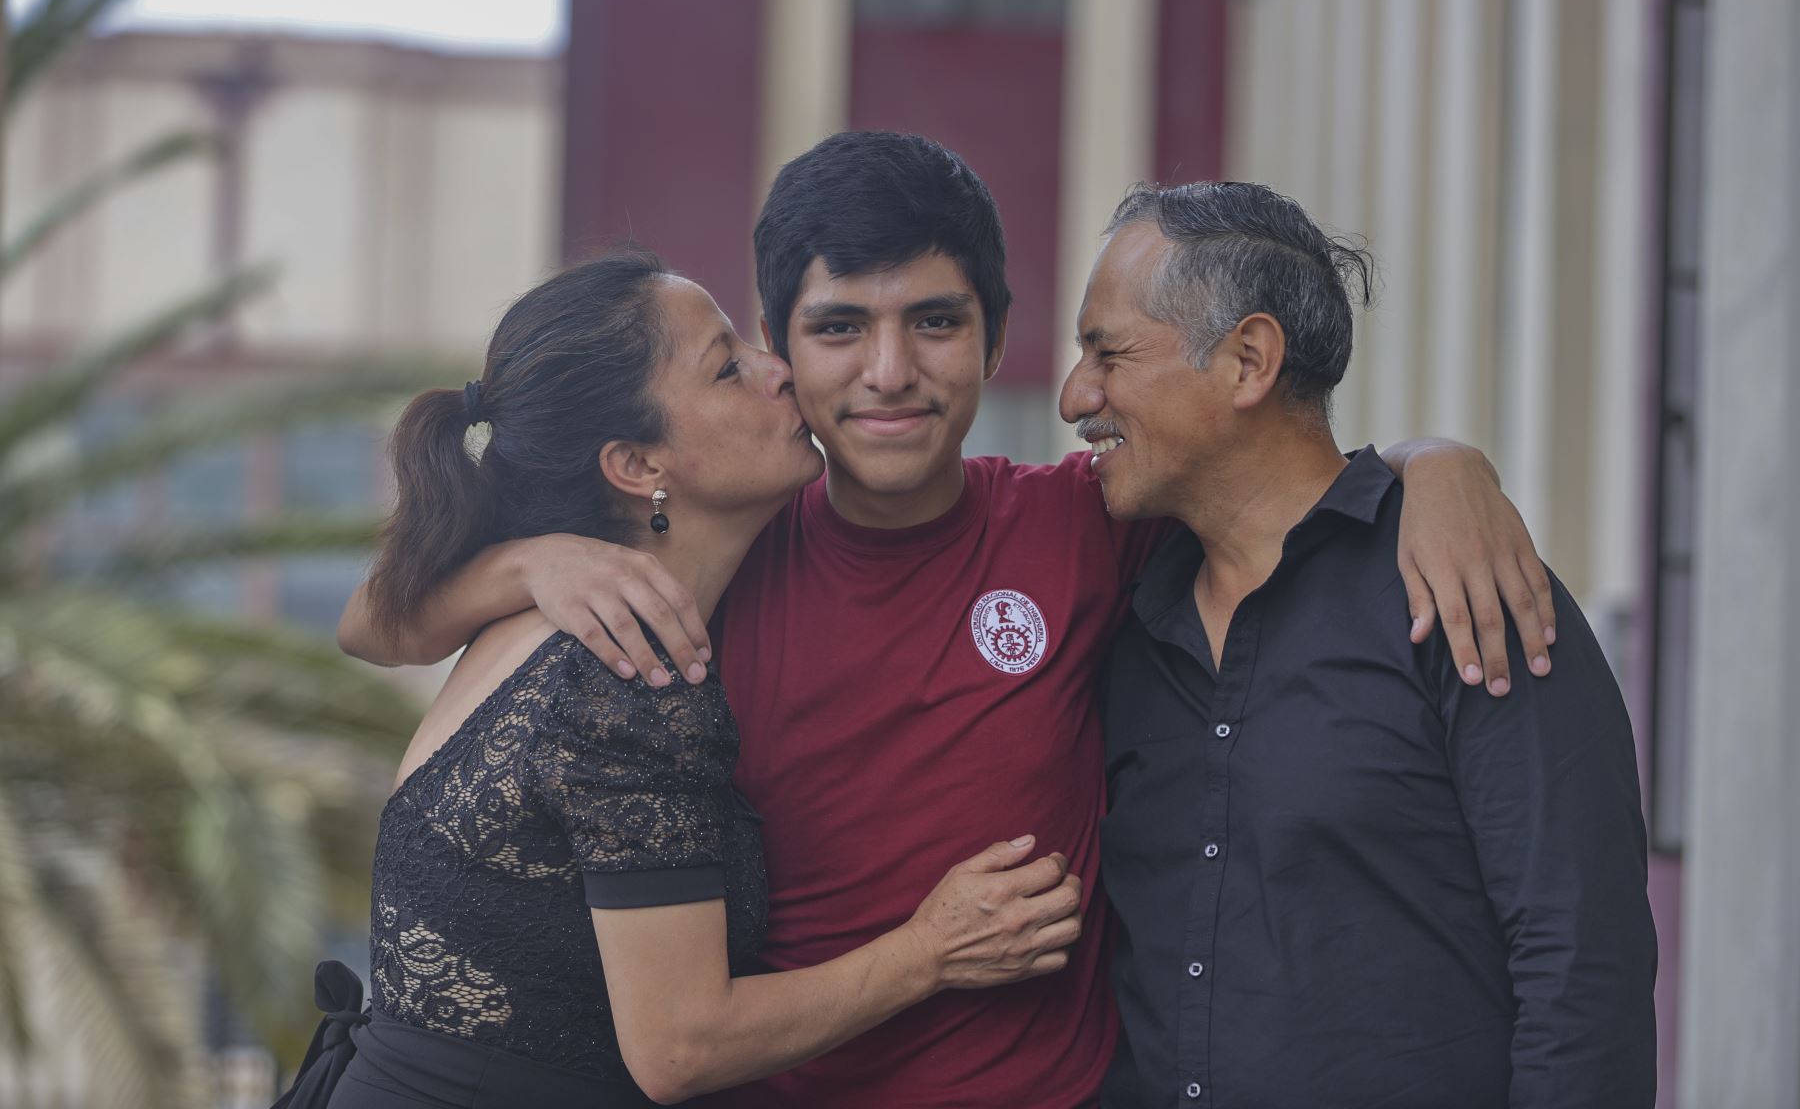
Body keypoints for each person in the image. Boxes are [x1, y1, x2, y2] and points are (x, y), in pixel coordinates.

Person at [337, 133, 1558, 1108]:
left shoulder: (1081, 524)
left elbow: (1263, 463)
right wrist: (541, 561)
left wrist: (1438, 464)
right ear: (780, 357)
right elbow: (379, 623)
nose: (888, 373)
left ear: (995, 340)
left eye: (933, 321)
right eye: (836, 330)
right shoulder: (698, 588)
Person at [278, 248, 1085, 1109]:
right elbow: (681, 1048)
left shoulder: (535, 614)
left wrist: (523, 562)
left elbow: (372, 619)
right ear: (636, 466)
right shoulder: (626, 674)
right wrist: (932, 950)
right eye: (728, 366)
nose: (780, 372)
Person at [1064, 182, 1657, 1108]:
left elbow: (1581, 962)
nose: (1074, 397)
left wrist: (1441, 465)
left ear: (1248, 359)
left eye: (1107, 353)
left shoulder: (1460, 590)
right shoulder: (1119, 613)